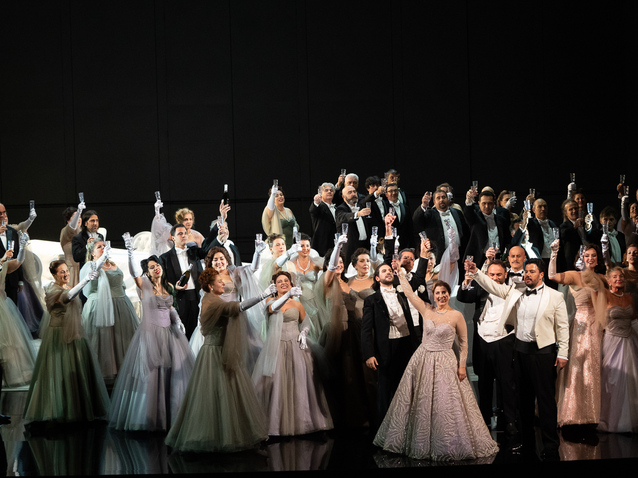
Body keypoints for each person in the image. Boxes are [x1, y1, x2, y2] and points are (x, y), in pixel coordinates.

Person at [373, 273, 499, 461]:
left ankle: (448, 444)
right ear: (434, 295)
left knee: (446, 402)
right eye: (438, 293)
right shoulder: (426, 309)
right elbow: (409, 293)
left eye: (444, 292)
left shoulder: (456, 315)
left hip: (446, 361)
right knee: (420, 402)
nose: (441, 296)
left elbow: (464, 343)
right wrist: (399, 273)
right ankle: (418, 442)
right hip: (422, 359)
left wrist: (462, 366)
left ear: (448, 294)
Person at [467, 258, 569, 461]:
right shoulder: (515, 291)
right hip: (520, 351)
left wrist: (563, 353)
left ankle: (550, 445)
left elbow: (562, 326)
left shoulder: (555, 296)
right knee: (523, 401)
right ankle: (527, 443)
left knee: (546, 401)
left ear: (541, 274)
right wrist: (477, 272)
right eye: (526, 272)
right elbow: (493, 286)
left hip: (543, 352)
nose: (527, 275)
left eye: (532, 271)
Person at [165, 268, 275, 453]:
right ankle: (219, 436)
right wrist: (263, 295)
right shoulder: (213, 301)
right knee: (217, 394)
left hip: (218, 349)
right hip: (215, 353)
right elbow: (237, 307)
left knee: (225, 393)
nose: (223, 283)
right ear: (210, 286)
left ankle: (222, 433)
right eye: (219, 281)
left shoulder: (210, 299)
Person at [108, 242, 194, 432]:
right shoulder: (145, 286)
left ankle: (171, 414)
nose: (156, 269)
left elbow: (170, 307)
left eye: (158, 265)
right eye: (152, 267)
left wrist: (178, 320)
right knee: (153, 374)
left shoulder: (168, 286)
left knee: (172, 373)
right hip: (151, 334)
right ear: (147, 272)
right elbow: (134, 273)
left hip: (170, 333)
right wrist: (130, 253)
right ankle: (153, 416)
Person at [23, 259, 110, 424]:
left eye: (67, 271)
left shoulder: (68, 287)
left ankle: (78, 407)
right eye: (62, 272)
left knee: (76, 370)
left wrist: (102, 258)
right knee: (59, 370)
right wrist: (86, 280)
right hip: (58, 335)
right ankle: (59, 409)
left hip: (73, 334)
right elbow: (67, 298)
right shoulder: (52, 290)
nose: (66, 274)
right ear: (54, 275)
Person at [251, 271, 333, 436]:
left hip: (296, 346)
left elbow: (306, 321)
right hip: (276, 347)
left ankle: (303, 422)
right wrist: (288, 295)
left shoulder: (297, 304)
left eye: (286, 281)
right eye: (280, 281)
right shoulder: (270, 302)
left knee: (299, 382)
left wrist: (304, 332)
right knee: (276, 383)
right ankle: (275, 424)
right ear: (275, 286)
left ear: (290, 283)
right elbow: (274, 309)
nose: (283, 283)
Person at [318, 234, 376, 430]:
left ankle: (359, 415)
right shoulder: (327, 281)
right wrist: (338, 246)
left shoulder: (347, 282)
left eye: (342, 262)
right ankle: (343, 418)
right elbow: (331, 269)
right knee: (343, 373)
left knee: (357, 375)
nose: (339, 265)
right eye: (337, 262)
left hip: (354, 329)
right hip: (338, 331)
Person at [456, 259, 517, 441]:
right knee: (484, 382)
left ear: (506, 274)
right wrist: (467, 281)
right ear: (487, 275)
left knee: (507, 383)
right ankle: (483, 420)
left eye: (499, 274)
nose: (495, 278)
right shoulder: (481, 288)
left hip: (504, 340)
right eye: (492, 275)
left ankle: (510, 421)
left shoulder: (511, 290)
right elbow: (463, 297)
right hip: (483, 340)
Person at [548, 241, 605, 431]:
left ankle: (595, 413)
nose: (590, 258)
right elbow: (552, 276)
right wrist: (554, 253)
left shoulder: (602, 278)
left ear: (598, 259)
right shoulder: (575, 275)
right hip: (580, 326)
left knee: (596, 368)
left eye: (593, 255)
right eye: (587, 255)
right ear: (581, 258)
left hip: (598, 327)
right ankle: (575, 412)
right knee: (579, 368)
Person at [189, 238, 268, 364]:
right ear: (211, 262)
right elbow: (204, 301)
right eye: (215, 259)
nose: (219, 262)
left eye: (221, 259)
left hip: (235, 317)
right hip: (216, 318)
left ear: (227, 260)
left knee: (237, 354)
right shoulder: (209, 278)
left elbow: (252, 269)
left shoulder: (235, 273)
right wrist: (201, 322)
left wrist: (257, 253)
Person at [361, 263, 420, 429]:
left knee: (407, 386)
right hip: (386, 347)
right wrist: (369, 354)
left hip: (406, 344)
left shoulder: (402, 294)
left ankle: (407, 426)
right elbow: (366, 329)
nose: (388, 272)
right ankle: (384, 430)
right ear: (377, 278)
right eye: (384, 271)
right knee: (385, 389)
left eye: (389, 270)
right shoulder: (372, 300)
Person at [583, 266, 638, 433]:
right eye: (614, 277)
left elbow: (634, 319)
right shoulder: (604, 295)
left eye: (620, 276)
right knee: (612, 380)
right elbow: (591, 282)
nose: (618, 279)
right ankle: (610, 419)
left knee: (630, 381)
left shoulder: (629, 298)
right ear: (609, 280)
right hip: (612, 342)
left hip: (629, 342)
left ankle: (628, 421)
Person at [79, 239, 139, 383]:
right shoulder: (90, 265)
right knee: (104, 340)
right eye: (99, 247)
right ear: (92, 253)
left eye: (104, 246)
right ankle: (104, 373)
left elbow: (122, 284)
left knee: (121, 339)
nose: (103, 248)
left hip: (121, 306)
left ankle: (123, 371)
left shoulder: (113, 264)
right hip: (101, 307)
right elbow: (88, 286)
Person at [159, 223, 211, 339]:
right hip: (179, 299)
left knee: (198, 332)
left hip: (197, 297)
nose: (184, 236)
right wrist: (174, 287)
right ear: (173, 237)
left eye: (185, 233)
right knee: (181, 334)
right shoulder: (164, 258)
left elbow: (207, 248)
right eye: (180, 234)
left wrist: (217, 228)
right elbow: (162, 282)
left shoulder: (194, 252)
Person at [0, 234, 37, 389]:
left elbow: (18, 261)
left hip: (2, 306)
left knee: (7, 346)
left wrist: (21, 248)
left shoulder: (4, 265)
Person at [412, 187, 466, 267]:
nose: (441, 200)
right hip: (439, 257)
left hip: (458, 256)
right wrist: (423, 206)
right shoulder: (430, 214)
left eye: (443, 197)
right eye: (438, 198)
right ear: (434, 201)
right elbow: (416, 220)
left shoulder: (457, 213)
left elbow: (465, 231)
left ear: (448, 199)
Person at [463, 188, 511, 270]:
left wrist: (507, 255)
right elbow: (468, 213)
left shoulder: (501, 220)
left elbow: (507, 240)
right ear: (479, 203)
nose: (487, 206)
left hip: (498, 258)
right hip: (479, 258)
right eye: (484, 203)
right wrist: (468, 201)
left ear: (494, 204)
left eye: (490, 203)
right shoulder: (475, 218)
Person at [336, 185, 373, 265]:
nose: (353, 194)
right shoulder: (340, 209)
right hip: (350, 248)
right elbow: (344, 217)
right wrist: (358, 214)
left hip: (365, 246)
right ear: (343, 196)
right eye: (350, 192)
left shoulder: (361, 206)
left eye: (354, 192)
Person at [0, 204, 27, 305]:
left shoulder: (12, 232)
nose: (2, 215)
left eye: (4, 212)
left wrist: (20, 279)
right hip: (0, 278)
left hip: (12, 278)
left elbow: (17, 255)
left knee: (12, 308)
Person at [262, 184, 299, 248]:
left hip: (290, 244)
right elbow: (270, 207)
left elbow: (295, 223)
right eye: (276, 196)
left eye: (281, 195)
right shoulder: (272, 211)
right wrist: (272, 194)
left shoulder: (288, 210)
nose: (280, 197)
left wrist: (295, 227)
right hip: (277, 246)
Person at [59, 202, 85, 287]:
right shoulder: (66, 231)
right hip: (72, 270)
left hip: (83, 268)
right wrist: (79, 211)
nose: (79, 219)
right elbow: (72, 228)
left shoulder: (83, 232)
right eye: (75, 217)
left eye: (79, 216)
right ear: (68, 220)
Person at [309, 182, 338, 257]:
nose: (329, 192)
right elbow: (313, 210)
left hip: (334, 244)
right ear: (321, 194)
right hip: (322, 245)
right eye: (326, 190)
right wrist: (316, 202)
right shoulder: (319, 206)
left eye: (331, 190)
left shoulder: (336, 208)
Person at [71, 209, 103, 275]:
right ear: (85, 223)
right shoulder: (77, 238)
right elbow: (76, 257)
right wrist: (87, 247)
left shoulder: (100, 236)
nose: (95, 223)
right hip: (86, 272)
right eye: (92, 221)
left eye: (97, 221)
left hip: (99, 270)